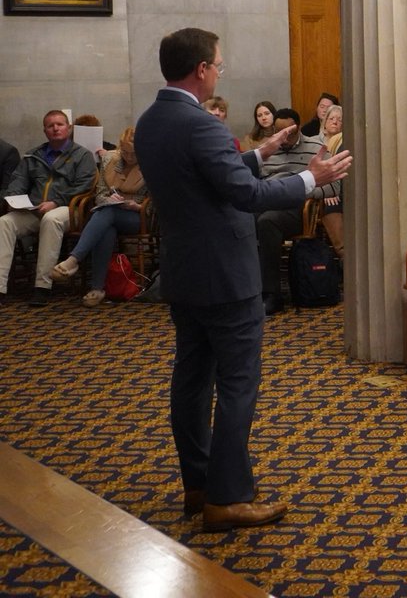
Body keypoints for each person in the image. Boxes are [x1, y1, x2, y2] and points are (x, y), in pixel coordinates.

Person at [135, 27, 351, 531]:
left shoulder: (151, 121)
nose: (219, 71)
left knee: (190, 379)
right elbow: (244, 197)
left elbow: (209, 174)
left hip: (185, 272)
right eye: (219, 64)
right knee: (238, 384)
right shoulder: (201, 124)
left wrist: (265, 150)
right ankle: (227, 498)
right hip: (226, 275)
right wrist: (309, 180)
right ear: (202, 70)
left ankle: (198, 484)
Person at [0, 110, 95, 305]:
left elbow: (84, 185)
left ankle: (42, 286)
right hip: (34, 210)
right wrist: (14, 201)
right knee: (4, 222)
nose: (55, 128)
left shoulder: (82, 155)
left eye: (60, 124)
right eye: (50, 126)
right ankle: (0, 288)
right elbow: (17, 182)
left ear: (68, 128)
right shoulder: (33, 156)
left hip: (68, 210)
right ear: (45, 131)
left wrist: (56, 201)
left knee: (51, 220)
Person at [255, 108, 342, 315]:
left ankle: (271, 294)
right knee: (238, 219)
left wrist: (306, 192)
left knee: (267, 222)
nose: (283, 138)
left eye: (289, 133)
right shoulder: (267, 150)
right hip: (266, 201)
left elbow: (334, 186)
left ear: (298, 128)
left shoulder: (316, 148)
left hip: (297, 208)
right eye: (279, 132)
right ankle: (244, 290)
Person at [50, 128, 148, 307]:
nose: (129, 157)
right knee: (106, 226)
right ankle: (97, 289)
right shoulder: (110, 160)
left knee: (105, 214)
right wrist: (109, 199)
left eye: (133, 153)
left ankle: (74, 260)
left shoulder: (153, 165)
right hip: (111, 212)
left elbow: (159, 202)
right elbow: (100, 193)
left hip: (139, 217)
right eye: (125, 152)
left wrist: (138, 206)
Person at [319, 106, 346, 257]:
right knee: (331, 204)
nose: (335, 122)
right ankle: (343, 252)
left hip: (341, 188)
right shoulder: (315, 143)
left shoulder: (345, 143)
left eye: (339, 119)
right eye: (331, 118)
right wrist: (328, 191)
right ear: (324, 122)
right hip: (321, 190)